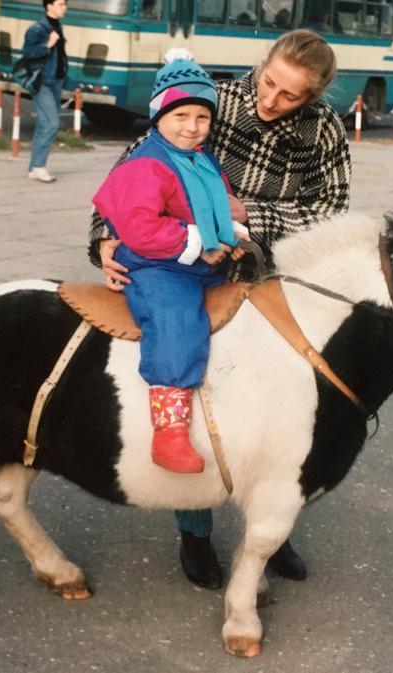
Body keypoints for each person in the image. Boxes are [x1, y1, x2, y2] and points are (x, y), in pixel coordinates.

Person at [89, 30, 351, 589]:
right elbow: (134, 168)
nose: (271, 99)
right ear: (261, 66)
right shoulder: (215, 99)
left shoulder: (325, 129)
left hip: (269, 270)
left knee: (284, 405)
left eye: (290, 96)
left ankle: (271, 525)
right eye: (268, 81)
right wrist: (105, 239)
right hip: (188, 270)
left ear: (314, 98)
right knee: (203, 387)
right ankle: (194, 527)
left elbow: (329, 209)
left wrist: (242, 214)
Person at [91, 57, 249, 473]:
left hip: (196, 261)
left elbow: (213, 203)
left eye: (202, 116)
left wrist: (230, 234)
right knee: (175, 318)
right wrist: (198, 242)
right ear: (159, 115)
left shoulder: (200, 157)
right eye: (180, 115)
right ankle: (170, 430)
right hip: (154, 265)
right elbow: (140, 228)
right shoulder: (147, 163)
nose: (192, 126)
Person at [23, 0, 68, 183]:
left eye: (65, 4)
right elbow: (28, 53)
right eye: (61, 3)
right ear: (49, 6)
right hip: (42, 82)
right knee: (51, 123)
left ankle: (34, 168)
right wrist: (47, 45)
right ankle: (39, 166)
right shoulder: (38, 28)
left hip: (55, 81)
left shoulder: (57, 25)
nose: (64, 7)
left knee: (44, 123)